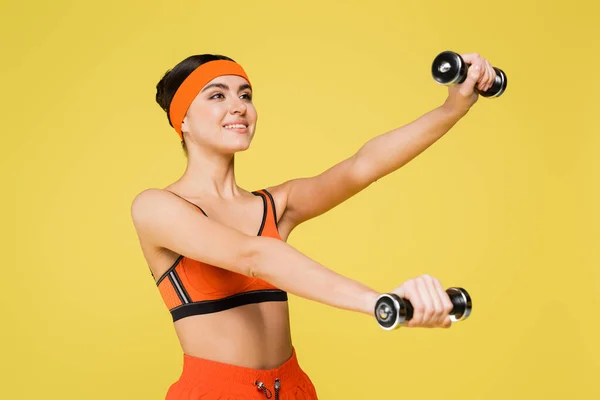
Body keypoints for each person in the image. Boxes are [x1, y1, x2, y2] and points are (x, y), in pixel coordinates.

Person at [131, 52, 496, 399]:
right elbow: (254, 255)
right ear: (183, 121)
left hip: (293, 389)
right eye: (217, 95)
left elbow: (362, 166)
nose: (239, 106)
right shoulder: (156, 208)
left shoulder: (275, 206)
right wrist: (381, 302)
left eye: (246, 94)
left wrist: (454, 108)